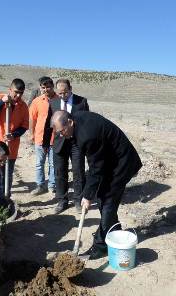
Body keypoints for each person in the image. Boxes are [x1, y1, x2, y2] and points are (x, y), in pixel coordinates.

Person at [51, 110, 142, 260]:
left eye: (62, 131)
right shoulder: (76, 121)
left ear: (70, 122)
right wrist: (89, 193)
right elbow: (96, 166)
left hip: (121, 163)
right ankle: (114, 231)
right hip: (109, 160)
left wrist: (87, 196)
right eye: (58, 132)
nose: (61, 135)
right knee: (102, 198)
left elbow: (95, 169)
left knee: (107, 201)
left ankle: (101, 247)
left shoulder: (88, 135)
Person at [50, 79, 89, 214]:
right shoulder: (53, 102)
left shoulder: (81, 101)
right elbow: (49, 125)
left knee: (78, 171)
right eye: (60, 93)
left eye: (65, 92)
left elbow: (86, 122)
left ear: (71, 88)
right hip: (59, 143)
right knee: (60, 172)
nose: (63, 95)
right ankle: (62, 201)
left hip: (76, 143)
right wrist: (44, 143)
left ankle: (78, 200)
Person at [0, 78, 29, 197]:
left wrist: (13, 135)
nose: (18, 95)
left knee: (7, 175)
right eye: (16, 92)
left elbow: (24, 126)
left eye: (21, 93)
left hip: (11, 148)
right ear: (10, 89)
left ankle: (5, 199)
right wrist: (1, 103)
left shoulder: (23, 106)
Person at [29, 77, 59, 195]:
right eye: (43, 87)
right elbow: (32, 119)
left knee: (53, 163)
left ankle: (52, 185)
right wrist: (31, 134)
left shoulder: (59, 100)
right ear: (40, 88)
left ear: (52, 87)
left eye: (48, 87)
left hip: (54, 138)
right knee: (39, 163)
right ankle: (40, 185)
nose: (46, 89)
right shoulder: (36, 101)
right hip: (40, 138)